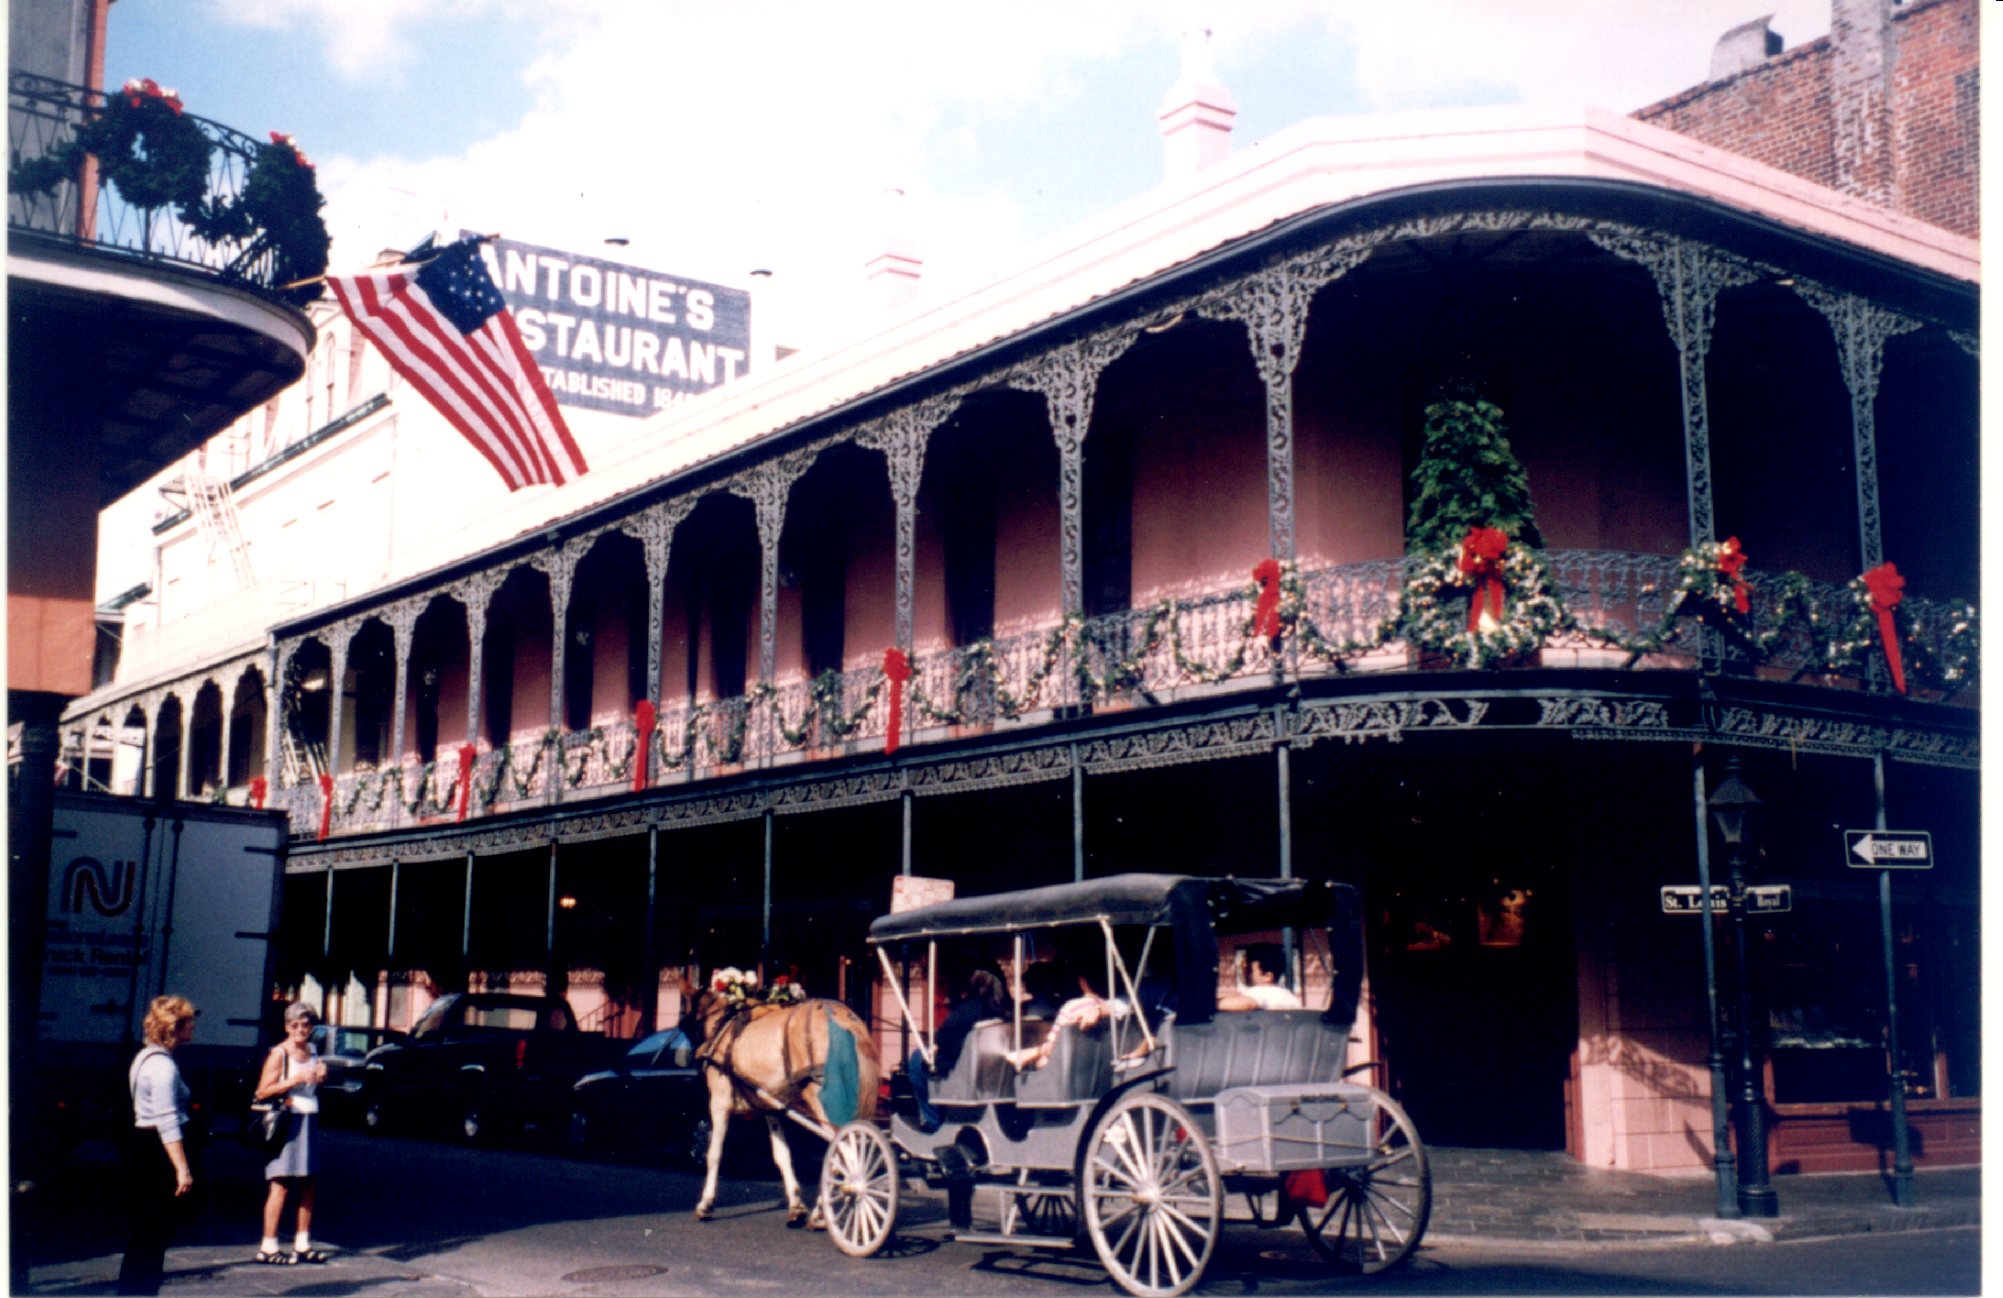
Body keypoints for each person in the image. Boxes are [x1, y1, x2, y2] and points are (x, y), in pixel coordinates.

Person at [119, 996, 198, 1296]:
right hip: (157, 1154)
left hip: (144, 1147)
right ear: (175, 1027)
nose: (193, 1026)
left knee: (144, 1235)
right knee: (153, 1235)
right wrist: (183, 1170)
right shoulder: (163, 1067)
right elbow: (167, 1122)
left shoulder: (144, 1058)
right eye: (189, 1021)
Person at [252, 1002, 330, 1264]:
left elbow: (312, 1090)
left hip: (309, 1118)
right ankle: (269, 1246)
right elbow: (262, 1091)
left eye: (306, 1025)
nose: (301, 1030)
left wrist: (321, 1077)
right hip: (287, 1123)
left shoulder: (314, 1050)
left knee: (309, 1183)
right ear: (287, 1027)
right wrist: (294, 1080)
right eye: (295, 1025)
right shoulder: (279, 1053)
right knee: (281, 1183)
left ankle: (302, 1244)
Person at [1219, 942, 1303, 1011]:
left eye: (1250, 970)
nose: (1246, 974)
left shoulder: (1263, 990)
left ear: (1267, 976)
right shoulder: (1287, 996)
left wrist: (1211, 1005)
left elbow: (1246, 1003)